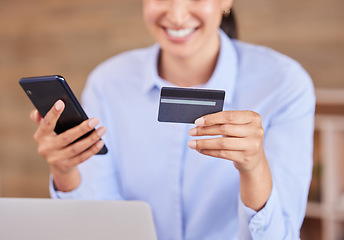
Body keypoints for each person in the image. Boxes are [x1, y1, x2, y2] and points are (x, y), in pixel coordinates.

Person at [30, 0, 315, 239]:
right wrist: (65, 171)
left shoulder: (284, 84)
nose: (177, 15)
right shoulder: (108, 83)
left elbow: (281, 235)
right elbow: (97, 224)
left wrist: (254, 168)